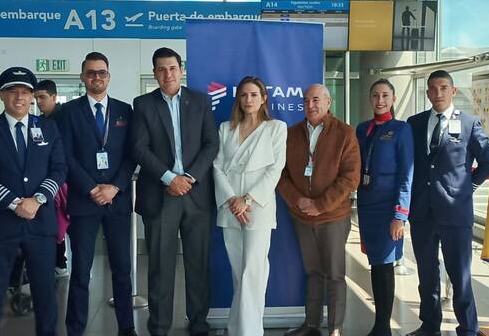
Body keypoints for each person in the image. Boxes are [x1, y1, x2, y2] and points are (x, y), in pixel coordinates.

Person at [0, 66, 66, 336]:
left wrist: (37, 199)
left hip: (40, 224)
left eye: (25, 92)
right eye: (13, 91)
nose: (20, 97)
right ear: (1, 95)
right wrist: (14, 203)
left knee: (46, 295)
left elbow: (59, 169)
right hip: (1, 225)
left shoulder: (47, 128)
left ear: (33, 96)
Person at [130, 47, 220, 336]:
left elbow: (211, 145)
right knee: (159, 266)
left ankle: (199, 323)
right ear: (154, 73)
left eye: (172, 68)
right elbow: (139, 148)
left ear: (181, 70)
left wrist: (189, 178)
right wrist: (170, 178)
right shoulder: (143, 104)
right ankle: (158, 326)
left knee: (198, 265)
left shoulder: (201, 101)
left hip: (196, 196)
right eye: (161, 69)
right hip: (160, 195)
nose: (167, 74)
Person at [405, 70, 489, 336]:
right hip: (422, 211)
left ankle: (468, 328)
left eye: (444, 88)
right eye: (433, 88)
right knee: (427, 273)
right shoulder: (415, 123)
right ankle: (430, 325)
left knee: (460, 274)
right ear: (427, 93)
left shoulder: (469, 123)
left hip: (456, 211)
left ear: (453, 91)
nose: (438, 93)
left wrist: (469, 186)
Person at [57, 53, 137, 336]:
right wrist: (92, 188)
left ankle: (127, 328)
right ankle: (75, 329)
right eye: (91, 73)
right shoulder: (66, 113)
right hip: (84, 201)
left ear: (109, 76)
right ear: (82, 77)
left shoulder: (125, 111)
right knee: (80, 271)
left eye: (101, 72)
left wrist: (114, 187)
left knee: (122, 270)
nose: (96, 78)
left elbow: (132, 155)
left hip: (117, 201)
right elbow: (65, 156)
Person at [277, 84, 360, 336]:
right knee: (312, 272)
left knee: (335, 274)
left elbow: (350, 178)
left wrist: (320, 205)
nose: (310, 105)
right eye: (306, 101)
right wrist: (297, 200)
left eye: (315, 100)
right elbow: (280, 174)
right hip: (301, 217)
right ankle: (311, 325)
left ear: (328, 102)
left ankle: (335, 327)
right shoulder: (291, 134)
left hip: (333, 217)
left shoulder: (345, 133)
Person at [212, 76, 287, 336]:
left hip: (258, 208)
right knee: (238, 272)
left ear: (263, 98)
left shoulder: (276, 128)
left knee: (252, 272)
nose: (248, 100)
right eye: (244, 95)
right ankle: (239, 328)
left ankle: (247, 332)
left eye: (254, 95)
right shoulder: (225, 128)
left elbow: (275, 170)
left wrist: (247, 200)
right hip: (230, 208)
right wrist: (233, 200)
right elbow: (217, 166)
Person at [355, 79, 414, 336]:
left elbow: (406, 174)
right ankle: (380, 324)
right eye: (376, 95)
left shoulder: (401, 129)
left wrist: (399, 215)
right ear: (370, 99)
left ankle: (383, 327)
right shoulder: (362, 129)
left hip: (389, 209)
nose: (380, 100)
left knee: (385, 264)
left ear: (393, 98)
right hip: (366, 207)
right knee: (375, 264)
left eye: (385, 95)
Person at [35, 79, 69, 278]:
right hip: (45, 180)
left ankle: (61, 262)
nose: (39, 101)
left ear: (54, 97)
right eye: (36, 98)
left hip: (63, 180)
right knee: (53, 221)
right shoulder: (39, 122)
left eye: (43, 97)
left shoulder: (64, 118)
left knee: (62, 220)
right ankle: (55, 261)